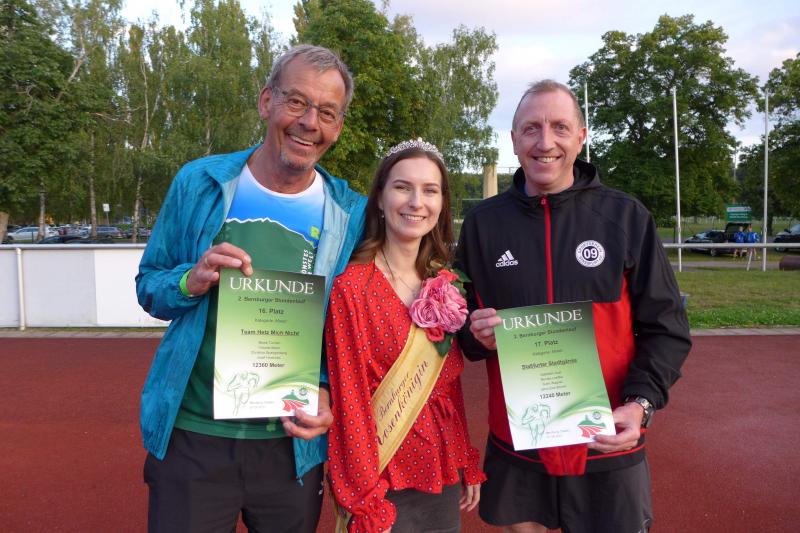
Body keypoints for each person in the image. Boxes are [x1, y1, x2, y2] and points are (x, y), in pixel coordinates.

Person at [135, 45, 367, 533]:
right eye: (296, 102)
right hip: (193, 434)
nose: (309, 122)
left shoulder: (352, 214)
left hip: (291, 444)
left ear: (338, 127)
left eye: (327, 112)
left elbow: (347, 326)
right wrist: (190, 279)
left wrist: (326, 388)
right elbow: (150, 284)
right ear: (266, 101)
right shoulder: (199, 182)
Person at [455, 80, 692, 533]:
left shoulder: (625, 217)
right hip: (519, 442)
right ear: (514, 140)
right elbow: (463, 325)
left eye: (560, 127)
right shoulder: (484, 224)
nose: (545, 142)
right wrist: (475, 333)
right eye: (531, 128)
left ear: (581, 137)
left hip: (605, 441)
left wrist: (640, 404)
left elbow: (667, 328)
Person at [324, 139, 485, 533]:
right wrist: (364, 500)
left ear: (442, 203)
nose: (417, 202)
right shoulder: (351, 287)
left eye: (430, 190)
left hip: (440, 469)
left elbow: (447, 387)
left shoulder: (443, 282)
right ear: (380, 198)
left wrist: (465, 456)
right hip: (381, 476)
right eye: (402, 187)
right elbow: (349, 401)